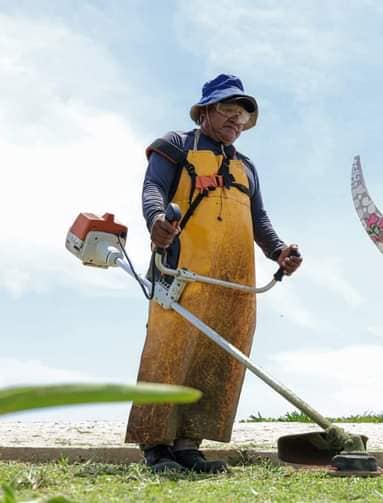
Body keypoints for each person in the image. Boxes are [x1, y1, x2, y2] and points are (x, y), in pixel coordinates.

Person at [125, 74, 302, 473]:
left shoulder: (246, 166)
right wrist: (156, 219)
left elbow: (259, 220)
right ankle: (156, 448)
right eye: (228, 110)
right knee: (168, 354)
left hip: (234, 278)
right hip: (182, 269)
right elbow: (153, 188)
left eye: (243, 117)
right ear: (205, 109)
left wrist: (279, 251)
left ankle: (189, 446)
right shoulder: (176, 145)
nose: (236, 121)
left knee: (219, 360)